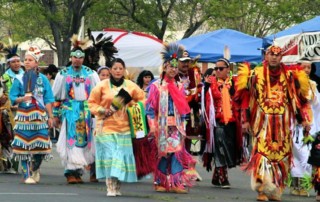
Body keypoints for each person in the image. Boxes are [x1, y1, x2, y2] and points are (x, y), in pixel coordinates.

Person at [236, 45, 312, 201]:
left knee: (281, 156)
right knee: (262, 155)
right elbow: (244, 99)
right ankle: (262, 188)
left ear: (281, 57)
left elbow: (298, 101)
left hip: (282, 125)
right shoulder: (254, 75)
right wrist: (245, 120)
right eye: (271, 54)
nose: (274, 57)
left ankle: (276, 189)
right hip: (262, 123)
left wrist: (303, 119)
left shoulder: (291, 76)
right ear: (266, 56)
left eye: (277, 55)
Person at [88, 58, 145, 196]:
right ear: (110, 70)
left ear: (124, 70)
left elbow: (143, 100)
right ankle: (110, 187)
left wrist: (131, 104)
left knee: (120, 157)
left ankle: (117, 186)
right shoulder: (101, 86)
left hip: (124, 128)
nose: (118, 71)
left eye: (120, 68)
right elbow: (91, 103)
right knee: (110, 156)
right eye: (115, 68)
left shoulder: (131, 86)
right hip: (105, 127)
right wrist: (102, 110)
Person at [146, 43, 196, 193]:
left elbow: (184, 109)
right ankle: (160, 181)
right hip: (161, 125)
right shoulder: (156, 86)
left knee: (177, 151)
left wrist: (185, 122)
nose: (174, 69)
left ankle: (175, 182)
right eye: (170, 66)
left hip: (177, 125)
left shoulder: (180, 86)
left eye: (176, 67)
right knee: (162, 152)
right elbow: (149, 109)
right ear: (165, 67)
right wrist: (152, 125)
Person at [52, 37, 100, 184]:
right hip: (69, 111)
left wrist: (96, 113)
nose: (77, 60)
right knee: (70, 142)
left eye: (80, 58)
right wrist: (55, 115)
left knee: (85, 142)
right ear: (70, 57)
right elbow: (56, 96)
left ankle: (78, 171)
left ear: (83, 58)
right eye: (74, 57)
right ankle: (70, 172)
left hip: (86, 112)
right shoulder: (63, 74)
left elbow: (98, 94)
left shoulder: (90, 74)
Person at [10, 45, 54, 184]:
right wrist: (22, 99)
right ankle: (27, 174)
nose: (27, 62)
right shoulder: (19, 79)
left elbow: (48, 99)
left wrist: (51, 116)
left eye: (30, 59)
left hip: (40, 115)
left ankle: (35, 168)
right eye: (25, 59)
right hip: (24, 115)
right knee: (23, 145)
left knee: (41, 146)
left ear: (36, 62)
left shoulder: (43, 79)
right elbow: (13, 96)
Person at [203, 58, 241, 189]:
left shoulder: (235, 83)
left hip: (231, 120)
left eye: (221, 68)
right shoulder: (210, 83)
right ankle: (223, 177)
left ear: (228, 69)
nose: (218, 71)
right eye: (216, 68)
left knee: (228, 147)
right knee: (220, 146)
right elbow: (204, 101)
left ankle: (216, 177)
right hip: (217, 121)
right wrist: (205, 86)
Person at [290, 59, 320, 197]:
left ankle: (302, 184)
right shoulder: (292, 83)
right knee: (297, 154)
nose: (307, 70)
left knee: (306, 154)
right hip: (296, 124)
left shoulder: (313, 84)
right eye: (304, 67)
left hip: (311, 124)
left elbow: (316, 104)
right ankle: (296, 184)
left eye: (309, 67)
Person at [0, 44, 24, 173]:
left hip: (25, 110)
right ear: (9, 64)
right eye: (13, 62)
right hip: (8, 112)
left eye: (18, 61)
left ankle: (18, 164)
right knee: (8, 137)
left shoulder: (26, 75)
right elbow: (2, 93)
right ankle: (7, 164)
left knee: (21, 138)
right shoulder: (4, 77)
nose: (16, 64)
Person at [175, 50, 202, 153]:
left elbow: (199, 90)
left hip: (192, 111)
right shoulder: (173, 74)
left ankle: (190, 155)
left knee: (192, 135)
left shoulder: (194, 74)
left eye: (187, 61)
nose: (185, 64)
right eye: (183, 61)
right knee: (178, 138)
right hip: (177, 112)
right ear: (177, 62)